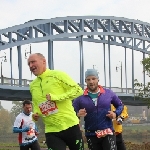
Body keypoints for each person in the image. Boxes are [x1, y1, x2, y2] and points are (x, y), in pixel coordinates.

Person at [28, 53, 84, 150]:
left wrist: (57, 97)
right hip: (51, 130)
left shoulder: (57, 75)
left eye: (33, 62)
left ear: (44, 61)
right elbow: (36, 104)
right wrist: (35, 115)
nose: (31, 65)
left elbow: (78, 90)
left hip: (70, 126)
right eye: (29, 64)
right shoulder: (33, 85)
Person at [73, 69, 123, 150]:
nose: (91, 82)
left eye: (93, 79)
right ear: (85, 81)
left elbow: (120, 105)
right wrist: (77, 114)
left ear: (98, 79)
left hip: (107, 132)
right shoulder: (80, 97)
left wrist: (115, 114)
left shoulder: (108, 93)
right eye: (88, 79)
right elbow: (71, 113)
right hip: (91, 134)